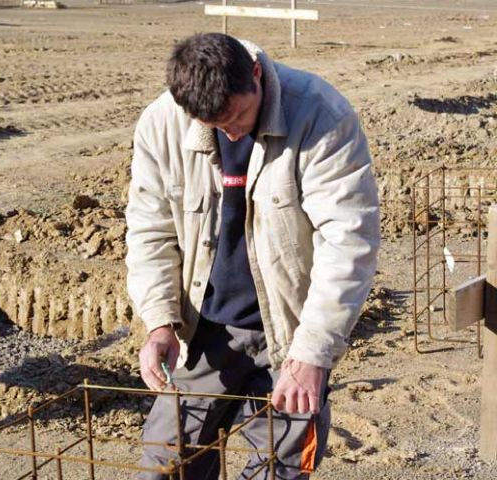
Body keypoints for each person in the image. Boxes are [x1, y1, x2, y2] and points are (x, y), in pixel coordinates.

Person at [125, 33, 380, 479]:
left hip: (287, 331)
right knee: (165, 466)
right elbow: (151, 230)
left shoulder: (320, 115)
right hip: (204, 331)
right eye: (214, 125)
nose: (231, 132)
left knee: (280, 469)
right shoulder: (162, 123)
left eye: (238, 115)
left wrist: (312, 354)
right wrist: (160, 321)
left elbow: (348, 242)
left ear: (256, 74)